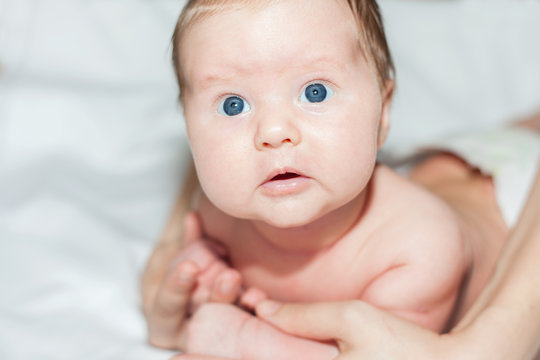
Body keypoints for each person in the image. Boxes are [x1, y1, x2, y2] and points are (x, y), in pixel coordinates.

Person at [141, 0, 518, 358]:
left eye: (314, 92)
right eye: (232, 104)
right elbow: (172, 318)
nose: (273, 131)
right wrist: (182, 305)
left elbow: (378, 352)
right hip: (439, 167)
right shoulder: (216, 219)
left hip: (512, 194)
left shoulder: (417, 252)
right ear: (189, 132)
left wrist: (241, 338)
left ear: (383, 113)